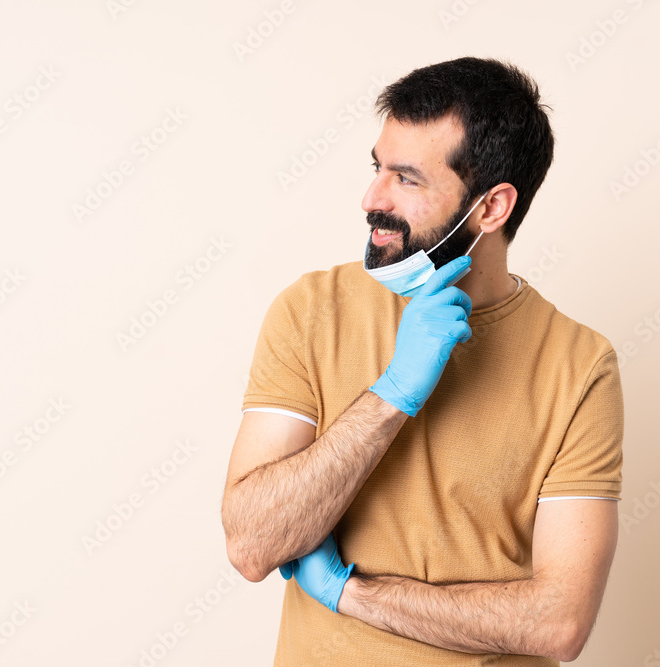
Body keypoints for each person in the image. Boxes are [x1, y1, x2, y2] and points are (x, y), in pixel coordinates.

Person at [221, 56, 624, 666]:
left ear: (491, 208)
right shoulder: (312, 310)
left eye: (406, 180)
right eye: (377, 168)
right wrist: (391, 395)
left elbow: (558, 623)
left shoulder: (579, 365)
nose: (371, 199)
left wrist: (352, 594)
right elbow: (253, 544)